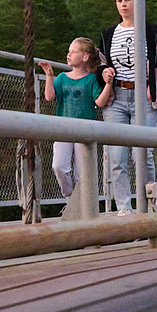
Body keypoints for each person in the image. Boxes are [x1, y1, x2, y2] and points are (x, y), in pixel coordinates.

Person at [97, 0, 157, 212]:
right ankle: (124, 208)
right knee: (116, 156)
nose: (123, 4)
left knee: (142, 152)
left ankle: (149, 204)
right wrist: (103, 72)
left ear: (137, 2)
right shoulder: (108, 34)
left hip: (145, 96)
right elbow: (99, 62)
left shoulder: (153, 32)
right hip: (116, 98)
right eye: (119, 0)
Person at [46, 37, 105, 211]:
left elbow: (99, 101)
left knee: (82, 171)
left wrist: (108, 84)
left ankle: (81, 205)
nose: (69, 54)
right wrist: (49, 76)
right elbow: (50, 96)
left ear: (85, 57)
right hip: (63, 128)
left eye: (73, 52)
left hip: (85, 129)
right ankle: (70, 198)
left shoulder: (91, 79)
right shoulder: (62, 78)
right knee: (59, 166)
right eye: (69, 51)